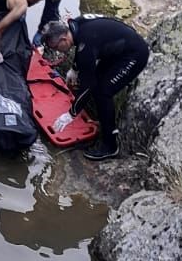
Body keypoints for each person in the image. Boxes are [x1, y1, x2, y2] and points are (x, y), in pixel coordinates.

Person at [41, 14, 150, 161]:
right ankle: (104, 123)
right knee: (98, 81)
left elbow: (88, 86)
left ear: (63, 39)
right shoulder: (76, 25)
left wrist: (71, 113)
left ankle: (110, 146)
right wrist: (74, 68)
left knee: (103, 92)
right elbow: (83, 47)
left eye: (56, 48)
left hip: (134, 54)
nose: (58, 52)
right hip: (118, 48)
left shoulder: (85, 45)